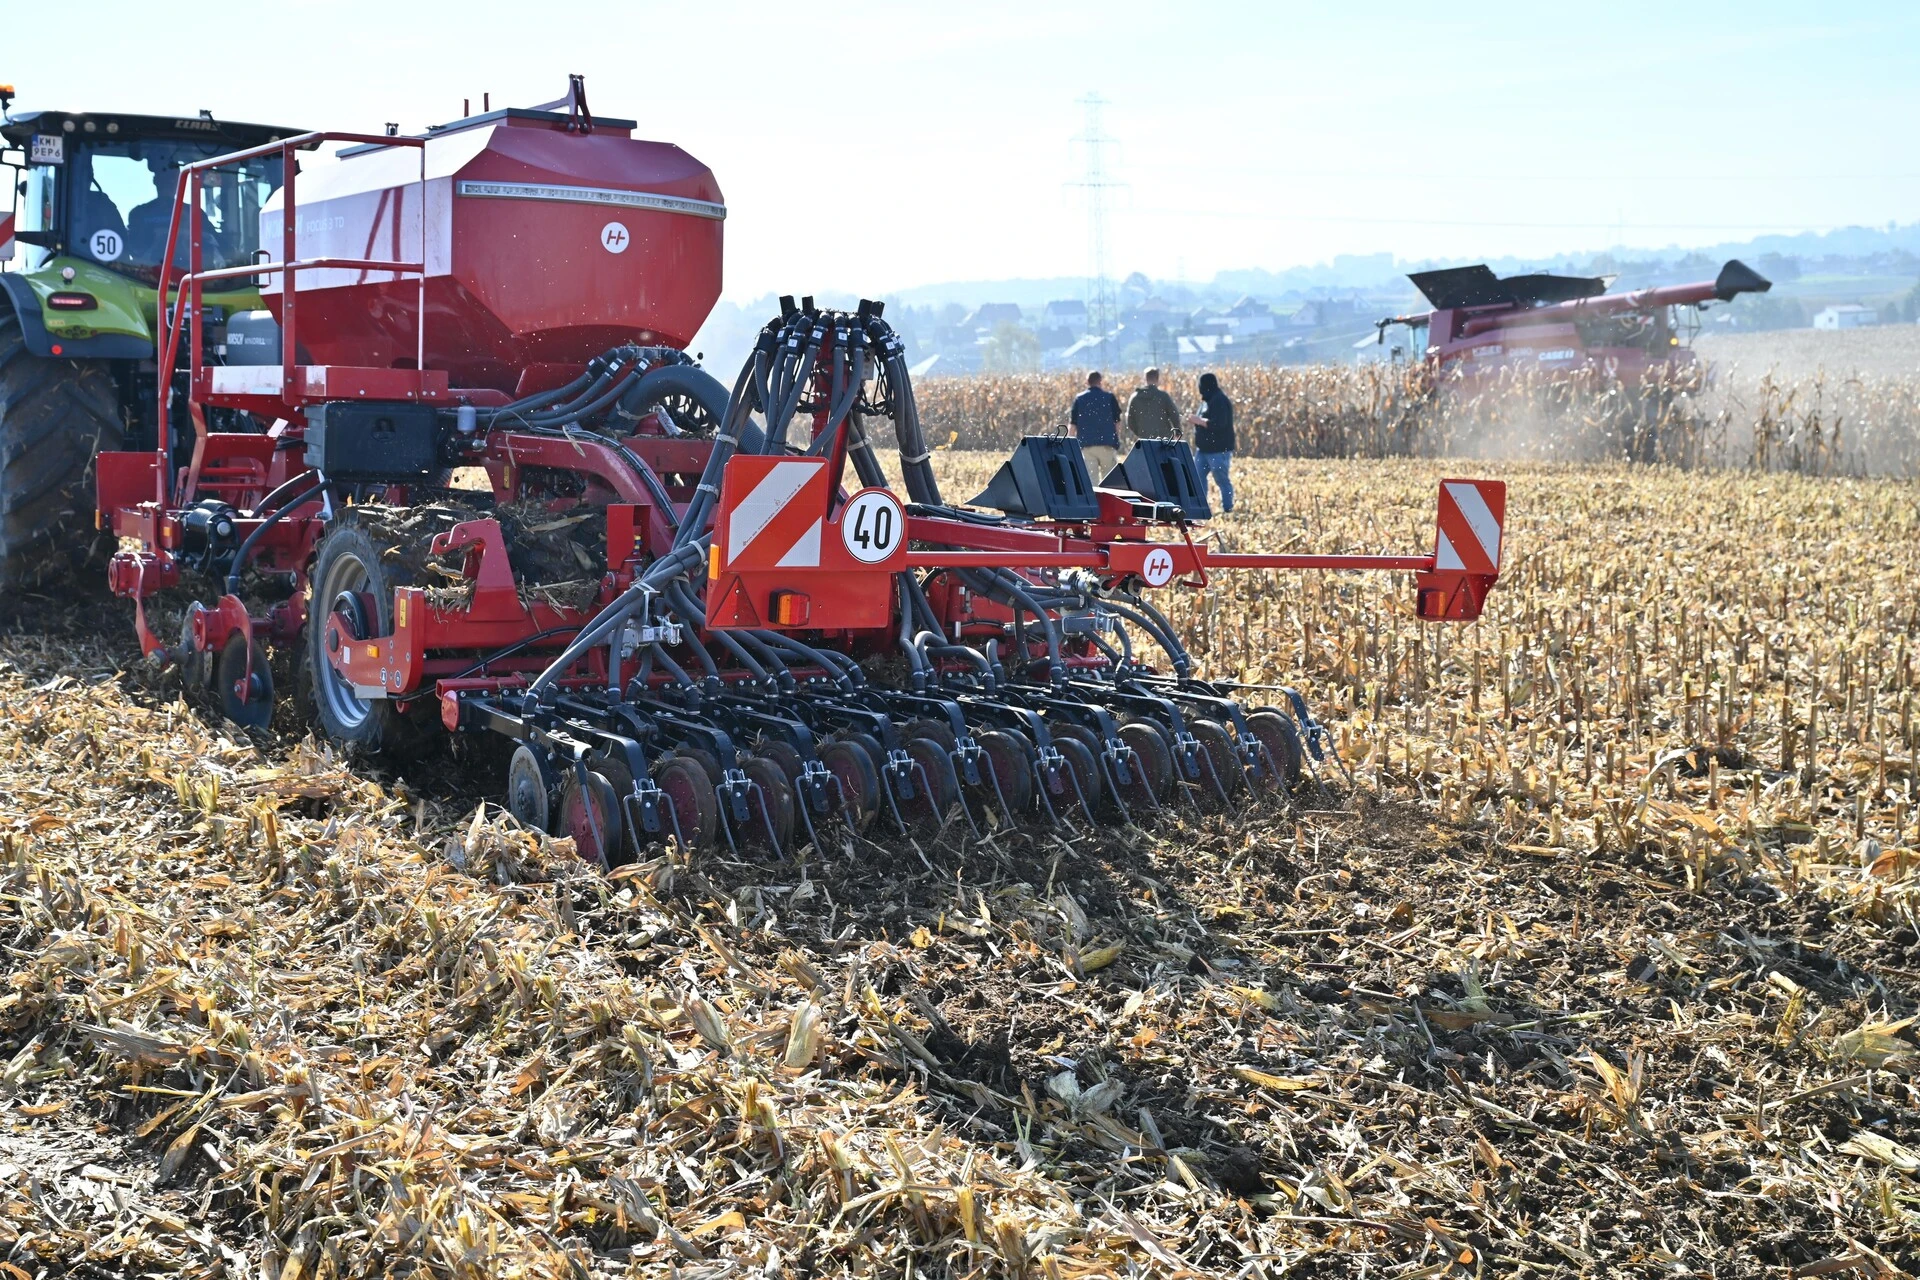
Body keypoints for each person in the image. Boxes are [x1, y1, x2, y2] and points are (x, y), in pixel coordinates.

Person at [1189, 371, 1235, 513]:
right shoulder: (1206, 401)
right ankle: (1201, 506)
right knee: (1197, 478)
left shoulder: (1219, 400)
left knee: (1221, 479)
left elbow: (1219, 424)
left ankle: (1227, 508)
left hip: (1218, 449)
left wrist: (1199, 421)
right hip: (1203, 450)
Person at [1068, 370, 1121, 481]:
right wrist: (1116, 439)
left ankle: (1093, 499)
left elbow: (1073, 425)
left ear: (1087, 382)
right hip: (1107, 444)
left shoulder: (1079, 399)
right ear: (1100, 381)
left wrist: (1069, 445)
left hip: (1087, 445)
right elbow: (1117, 422)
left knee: (1091, 481)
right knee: (1109, 481)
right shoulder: (1109, 397)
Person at [1125, 367, 1180, 441]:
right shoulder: (1163, 397)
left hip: (1145, 440)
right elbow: (1174, 415)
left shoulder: (1135, 398)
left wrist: (1141, 433)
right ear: (1157, 379)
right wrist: (1177, 432)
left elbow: (1130, 421)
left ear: (1145, 379)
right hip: (1164, 440)